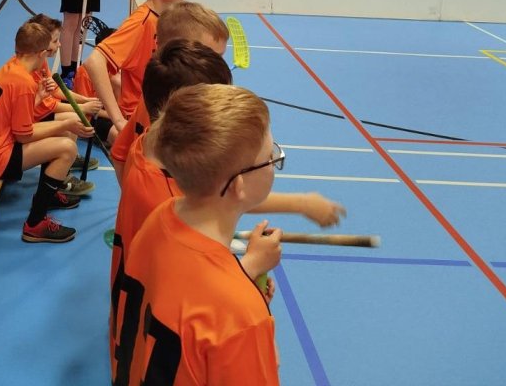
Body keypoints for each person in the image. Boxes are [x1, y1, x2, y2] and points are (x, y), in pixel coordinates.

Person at [111, 40, 345, 294]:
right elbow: (195, 292)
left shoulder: (147, 143)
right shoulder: (168, 201)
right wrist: (249, 270)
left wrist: (301, 204)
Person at [111, 84, 284, 385]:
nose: (274, 162)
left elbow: (180, 297)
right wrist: (249, 304)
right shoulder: (241, 316)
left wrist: (244, 275)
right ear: (238, 185)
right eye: (271, 157)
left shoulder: (159, 217)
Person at [0, 21, 94, 243]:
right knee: (66, 148)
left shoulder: (13, 68)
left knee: (62, 134)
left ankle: (48, 195)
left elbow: (18, 122)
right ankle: (35, 224)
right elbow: (24, 135)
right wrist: (65, 125)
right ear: (42, 53)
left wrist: (44, 105)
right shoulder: (23, 82)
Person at [82, 0, 194, 152]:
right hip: (142, 122)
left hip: (163, 117)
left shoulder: (169, 19)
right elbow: (94, 61)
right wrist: (118, 120)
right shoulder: (141, 23)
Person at [107, 1, 229, 173]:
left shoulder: (149, 98)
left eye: (221, 57)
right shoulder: (184, 114)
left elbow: (119, 152)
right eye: (212, 57)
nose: (220, 65)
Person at [26, 13, 101, 176]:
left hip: (37, 114)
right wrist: (83, 107)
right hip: (30, 120)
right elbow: (49, 106)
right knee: (72, 122)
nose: (60, 44)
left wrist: (84, 100)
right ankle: (62, 166)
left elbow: (55, 91)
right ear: (42, 43)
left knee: (74, 119)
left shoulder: (40, 61)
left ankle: (66, 163)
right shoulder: (27, 72)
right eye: (55, 41)